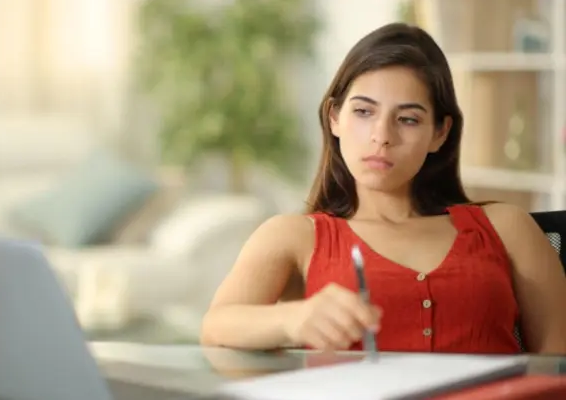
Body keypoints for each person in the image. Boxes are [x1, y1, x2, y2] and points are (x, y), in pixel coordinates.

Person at [200, 23, 566, 354]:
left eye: (407, 119)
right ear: (334, 118)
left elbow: (558, 363)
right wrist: (292, 319)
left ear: (440, 132)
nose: (382, 136)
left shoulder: (507, 227)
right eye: (363, 112)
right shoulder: (294, 236)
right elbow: (216, 327)